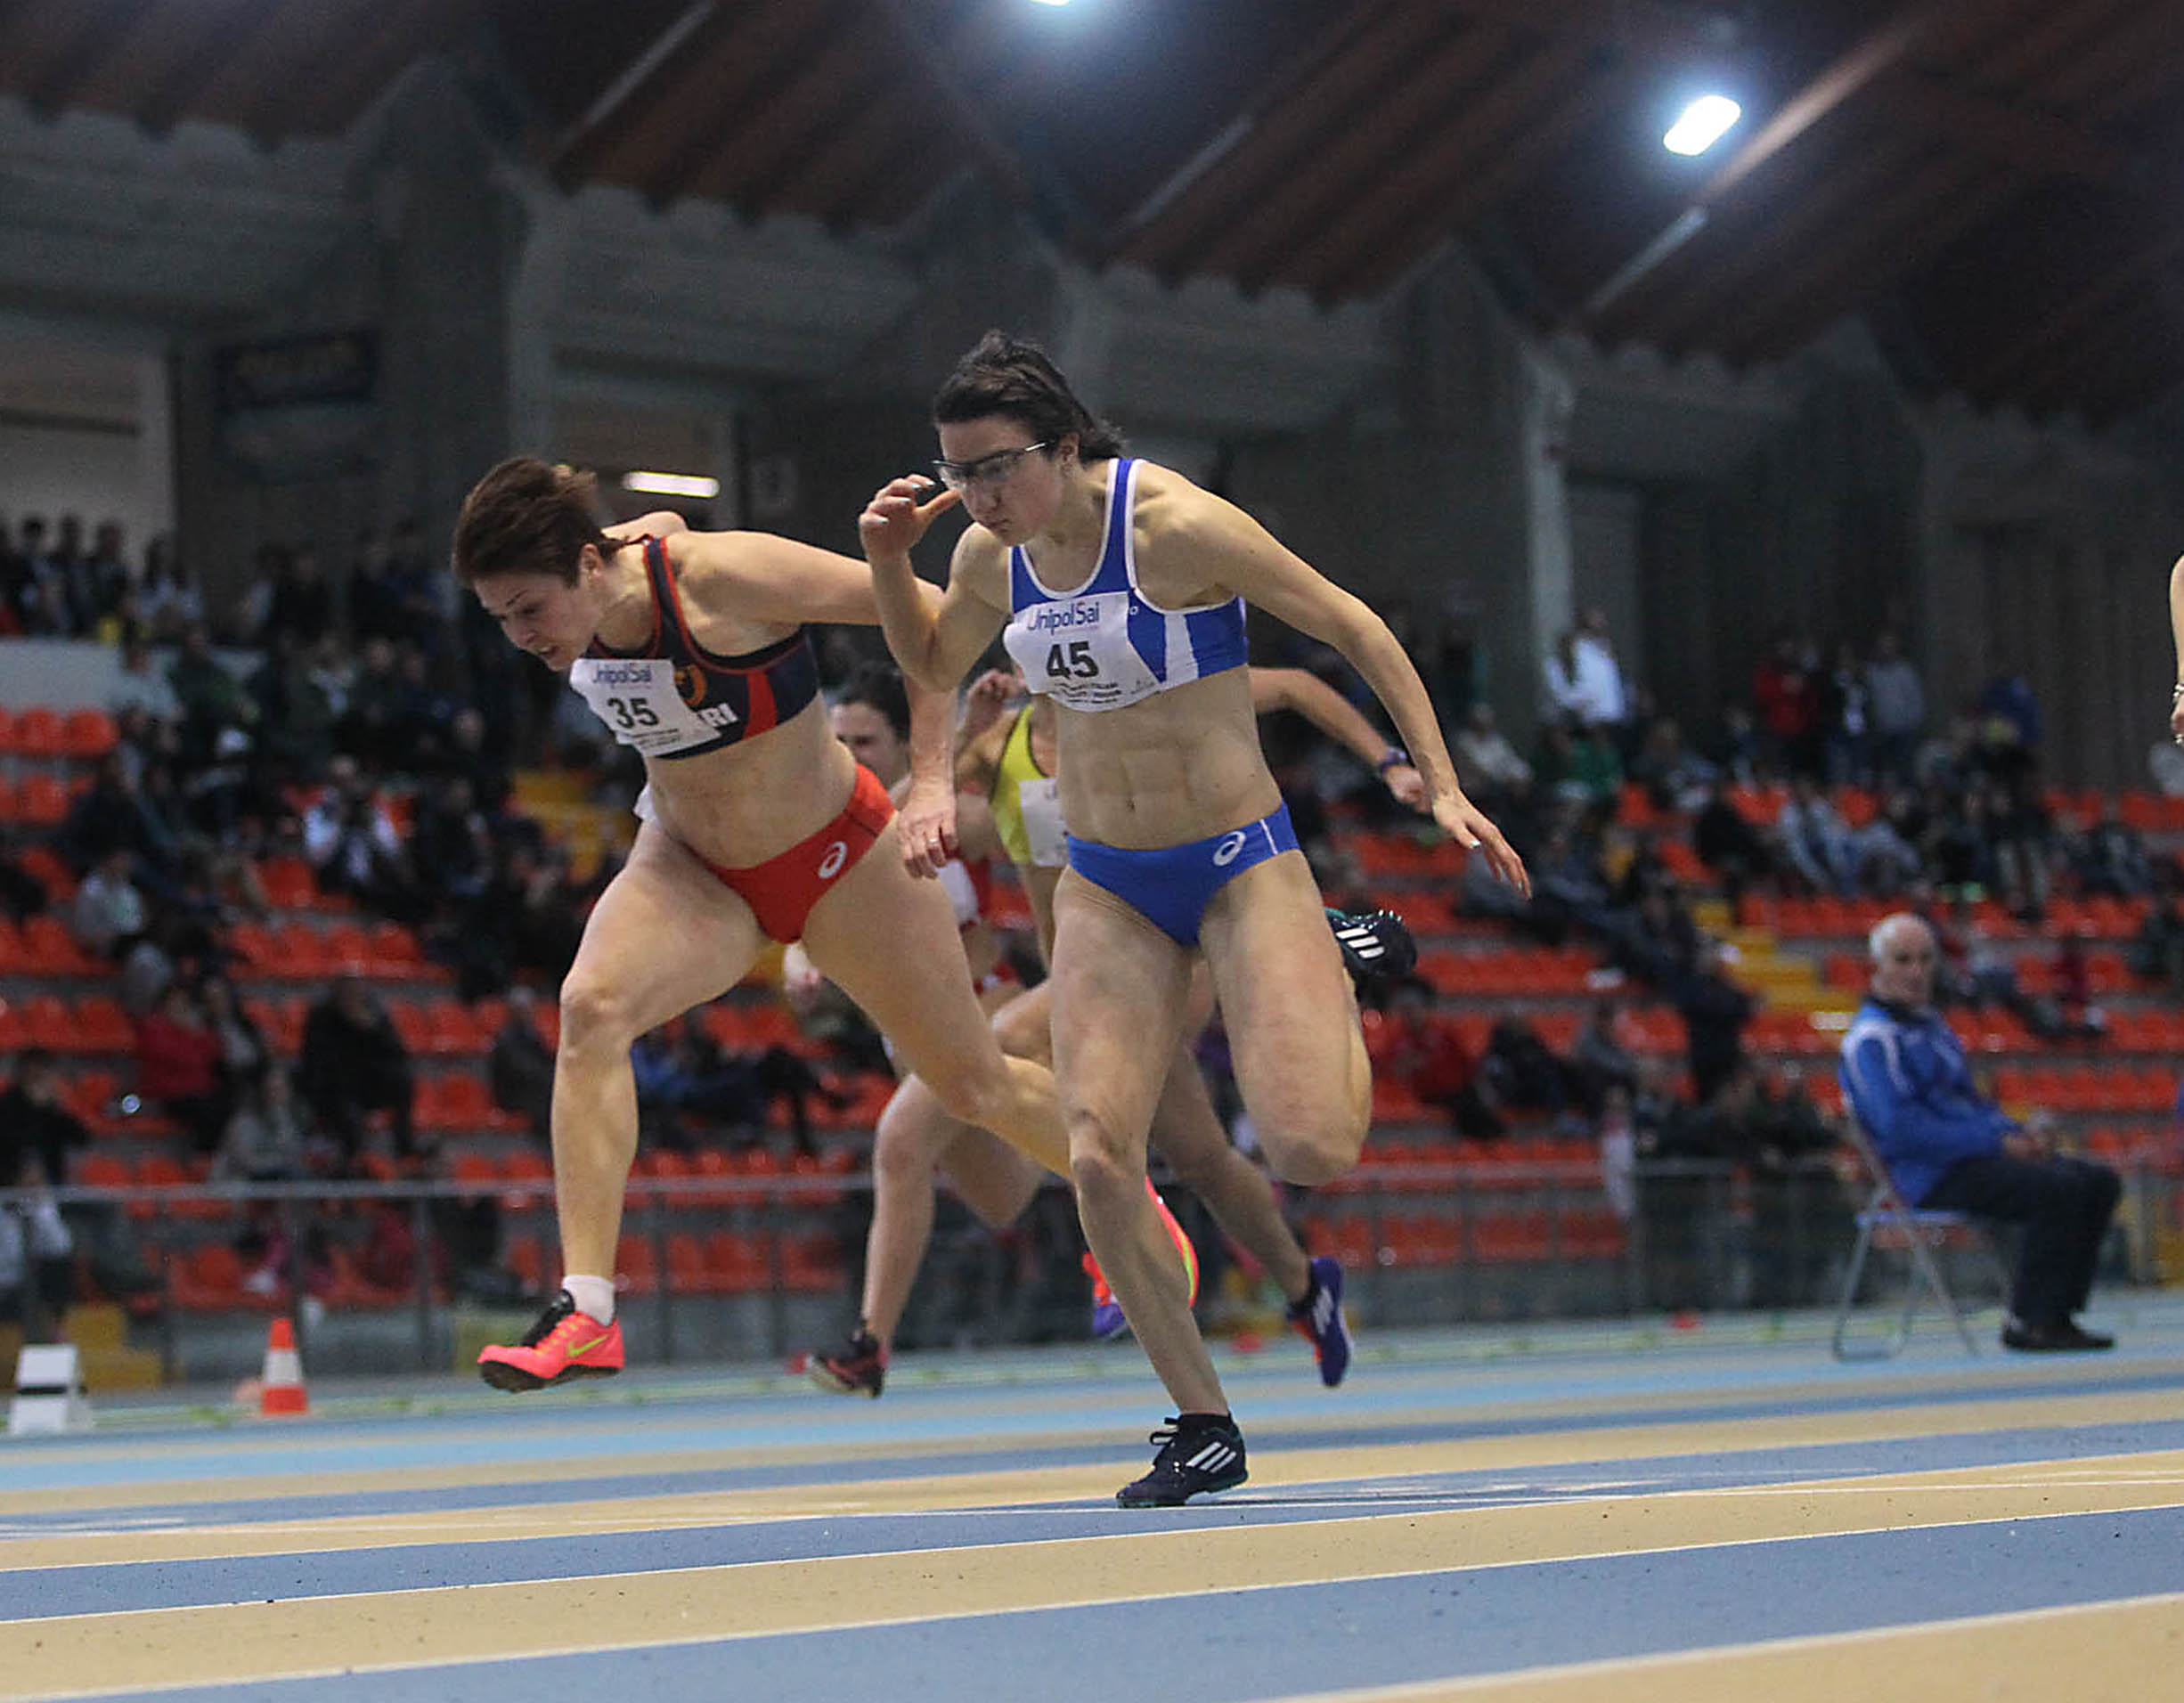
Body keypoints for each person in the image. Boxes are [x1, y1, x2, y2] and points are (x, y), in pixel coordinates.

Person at [860, 331, 1528, 1504]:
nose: (980, 495)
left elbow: (1352, 627)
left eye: (997, 468)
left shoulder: (1172, 526)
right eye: (959, 473)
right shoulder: (986, 554)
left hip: (1235, 858)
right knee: (1099, 1152)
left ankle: (1332, 958)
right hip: (1108, 879)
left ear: (1061, 447)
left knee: (1311, 1148)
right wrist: (881, 560)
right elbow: (928, 657)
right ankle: (1204, 1423)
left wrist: (1441, 781)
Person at [448, 457, 1189, 1398]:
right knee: (589, 1010)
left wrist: (933, 776)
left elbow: (933, 623)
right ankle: (586, 1307)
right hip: (694, 869)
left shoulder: (726, 578)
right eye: (500, 618)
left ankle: (1135, 1211)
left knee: (972, 1084)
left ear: (590, 565)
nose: (521, 637)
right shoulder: (607, 573)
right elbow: (655, 523)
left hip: (843, 861)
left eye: (529, 609)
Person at [811, 661, 1421, 1397]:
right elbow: (882, 826)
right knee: (1201, 1156)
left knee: (993, 1055)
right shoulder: (999, 747)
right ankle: (1304, 1288)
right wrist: (962, 738)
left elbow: (1292, 685)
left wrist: (1388, 760)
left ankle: (1112, 1242)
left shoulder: (1138, 717)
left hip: (1172, 958)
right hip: (1087, 984)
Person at [1840, 913, 2120, 1351]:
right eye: (1903, 960)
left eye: (1925, 959)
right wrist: (1995, 1142)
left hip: (1974, 1158)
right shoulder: (1872, 1041)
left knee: (2098, 1181)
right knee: (2057, 1189)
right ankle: (2028, 1320)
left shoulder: (1935, 1029)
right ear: (1877, 967)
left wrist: (2019, 1133)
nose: (1916, 971)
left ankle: (2058, 1312)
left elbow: (1969, 1105)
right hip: (1927, 1175)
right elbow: (1900, 1130)